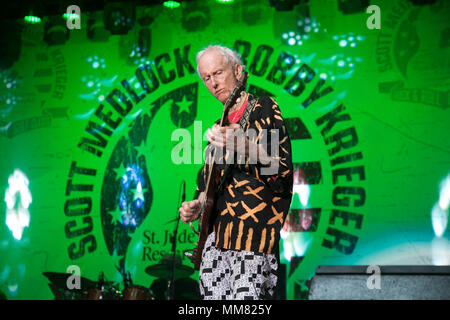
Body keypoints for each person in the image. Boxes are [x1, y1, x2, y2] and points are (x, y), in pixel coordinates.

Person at [179, 45, 293, 300]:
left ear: (238, 71)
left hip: (251, 239)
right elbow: (204, 188)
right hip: (215, 242)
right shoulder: (218, 130)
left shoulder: (263, 108)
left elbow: (281, 173)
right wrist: (196, 206)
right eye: (207, 78)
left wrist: (247, 147)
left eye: (218, 73)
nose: (213, 83)